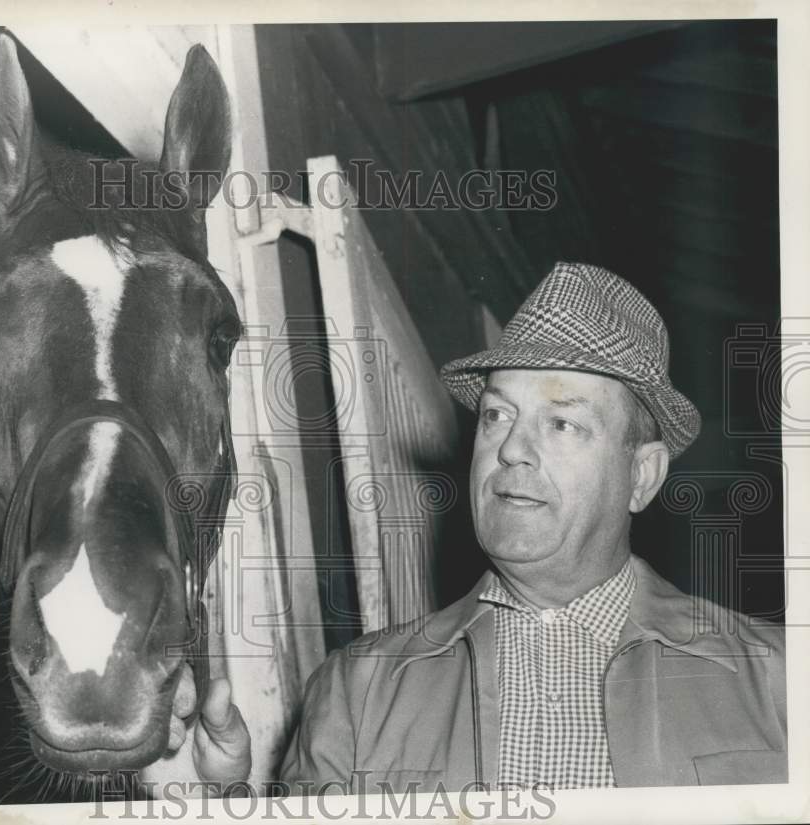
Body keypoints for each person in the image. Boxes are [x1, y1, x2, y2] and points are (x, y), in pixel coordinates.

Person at [278, 261, 787, 791]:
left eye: (562, 422)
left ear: (642, 475)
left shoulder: (780, 681)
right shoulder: (357, 691)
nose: (512, 449)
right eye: (497, 416)